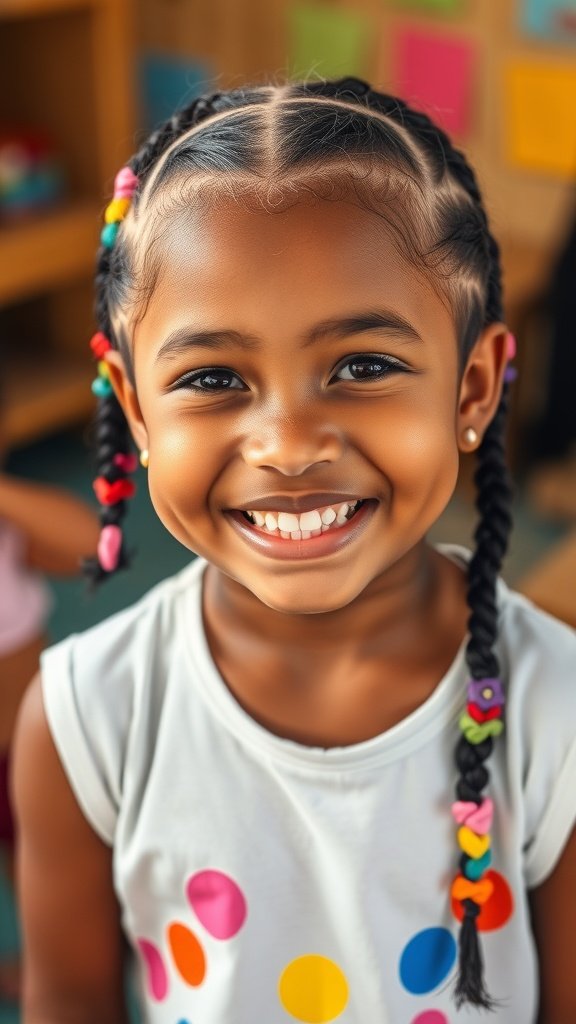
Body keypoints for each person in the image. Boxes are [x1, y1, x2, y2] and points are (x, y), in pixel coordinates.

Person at [11, 78, 576, 1023]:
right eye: (214, 376)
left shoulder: (556, 710)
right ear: (137, 407)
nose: (287, 442)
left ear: (474, 389)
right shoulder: (87, 717)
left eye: (363, 366)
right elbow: (65, 1002)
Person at [0, 420, 100, 1000]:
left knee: (38, 871)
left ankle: (44, 965)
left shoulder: (12, 519)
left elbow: (90, 545)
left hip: (18, 752)